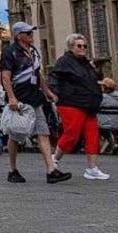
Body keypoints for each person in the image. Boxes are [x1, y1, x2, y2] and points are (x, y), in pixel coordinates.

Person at [0, 22, 69, 184]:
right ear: (19, 36)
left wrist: (47, 92)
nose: (31, 35)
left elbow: (37, 74)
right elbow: (5, 77)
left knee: (43, 132)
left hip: (34, 97)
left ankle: (51, 170)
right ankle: (12, 169)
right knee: (15, 135)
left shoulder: (34, 51)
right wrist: (11, 97)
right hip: (19, 98)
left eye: (31, 32)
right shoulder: (9, 52)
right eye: (28, 33)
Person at [48, 33, 108, 180]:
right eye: (79, 46)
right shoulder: (64, 62)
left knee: (92, 135)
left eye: (84, 46)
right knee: (72, 133)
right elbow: (54, 78)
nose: (83, 48)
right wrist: (54, 94)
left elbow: (90, 80)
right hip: (71, 102)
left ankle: (92, 168)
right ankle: (55, 159)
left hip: (89, 104)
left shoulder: (86, 64)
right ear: (71, 47)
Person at [97, 78, 118, 154]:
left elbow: (95, 107)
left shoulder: (101, 97)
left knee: (99, 127)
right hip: (116, 123)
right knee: (106, 128)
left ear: (105, 87)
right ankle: (113, 144)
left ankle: (106, 144)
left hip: (102, 123)